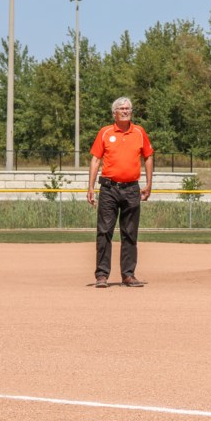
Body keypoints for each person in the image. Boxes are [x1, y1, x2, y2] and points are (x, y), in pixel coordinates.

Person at [87, 97, 154, 288]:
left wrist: (149, 183)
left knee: (130, 233)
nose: (126, 111)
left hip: (132, 188)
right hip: (109, 188)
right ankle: (102, 275)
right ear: (114, 113)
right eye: (122, 108)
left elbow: (148, 156)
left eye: (128, 108)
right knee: (104, 231)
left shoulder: (139, 132)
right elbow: (95, 160)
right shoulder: (105, 132)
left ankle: (128, 275)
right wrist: (90, 187)